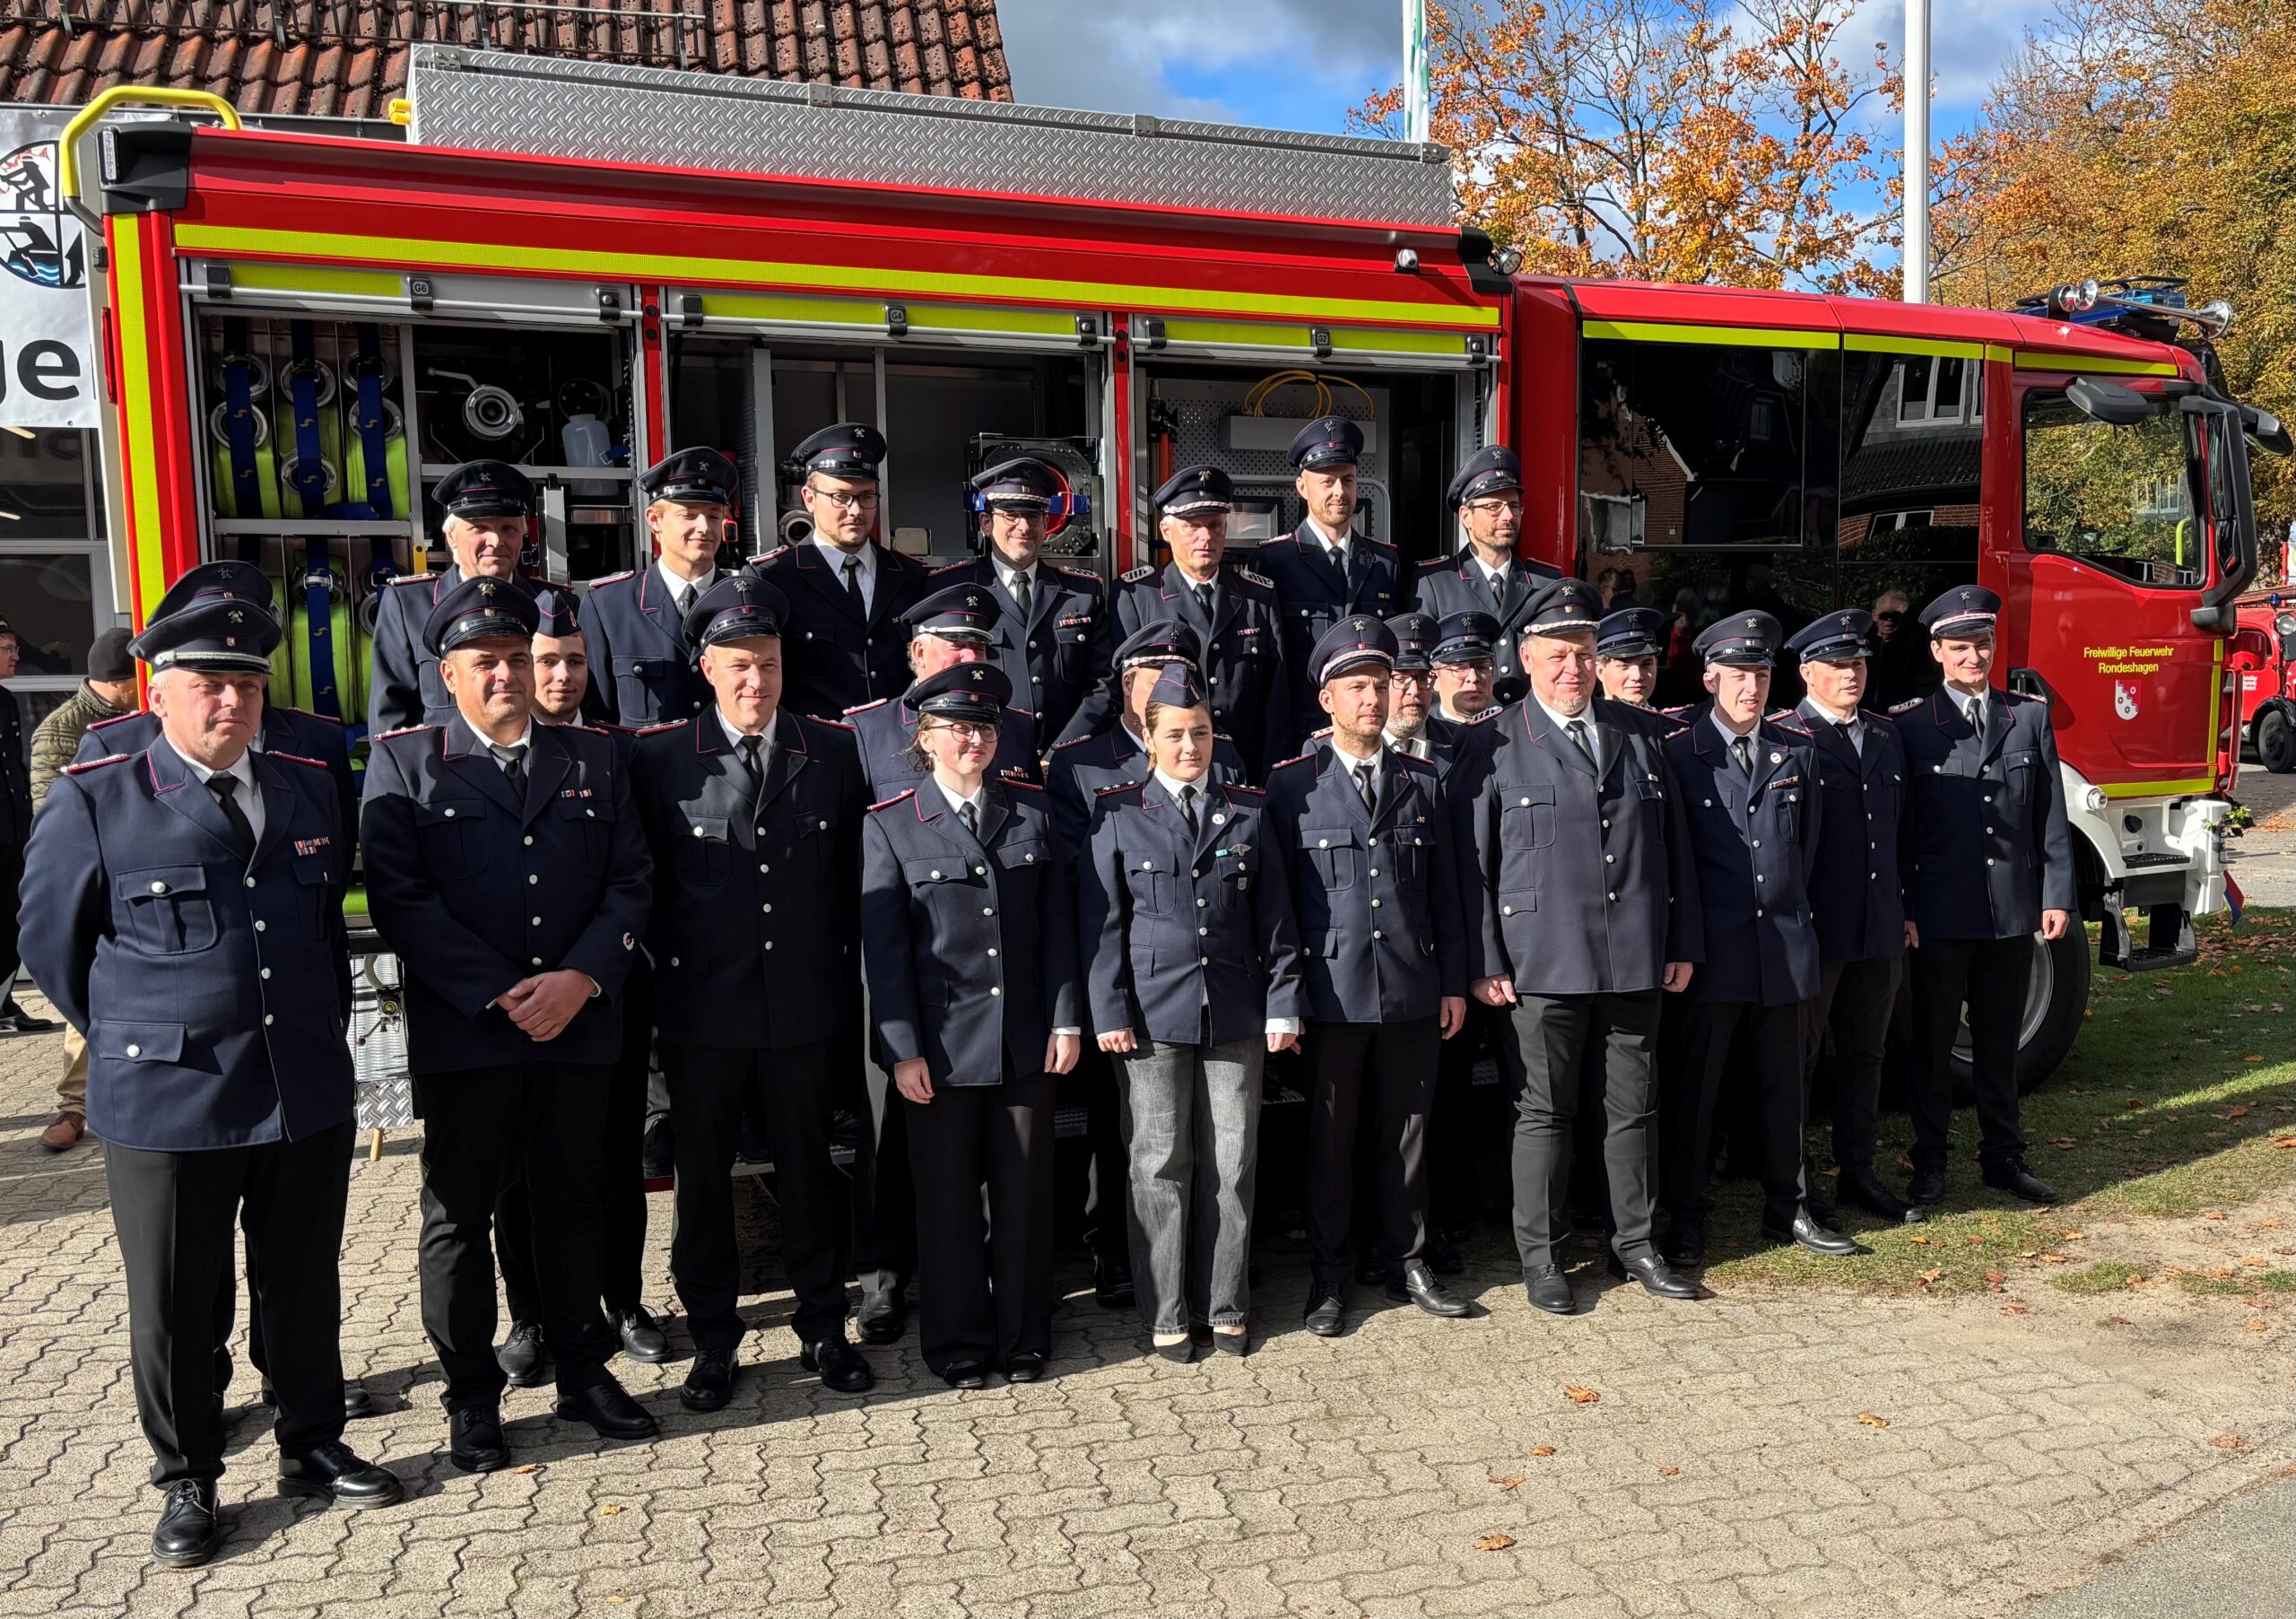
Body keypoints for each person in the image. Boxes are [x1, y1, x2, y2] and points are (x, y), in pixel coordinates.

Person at [20, 592, 399, 1568]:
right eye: (207, 683)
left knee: (302, 1283)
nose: (230, 700)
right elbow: (51, 944)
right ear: (159, 690)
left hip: (299, 1078)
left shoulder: (310, 776)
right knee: (182, 1302)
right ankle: (186, 1474)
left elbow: (319, 922)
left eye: (246, 681)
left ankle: (311, 1441)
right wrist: (138, 1033)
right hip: (168, 1095)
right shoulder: (98, 788)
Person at [361, 577, 657, 1473]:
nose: (506, 675)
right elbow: (401, 901)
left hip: (576, 1025)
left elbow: (632, 880)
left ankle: (580, 1368)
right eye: (483, 662)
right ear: (446, 675)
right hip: (470, 1033)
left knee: (574, 1199)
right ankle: (471, 1394)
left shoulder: (595, 758)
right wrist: (501, 991)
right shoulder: (407, 761)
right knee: (458, 1216)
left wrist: (580, 978)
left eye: (517, 658)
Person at [635, 575, 876, 1406]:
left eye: (768, 665)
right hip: (704, 1017)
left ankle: (822, 1326)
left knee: (811, 1174)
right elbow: (647, 890)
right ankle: (712, 1337)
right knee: (704, 1185)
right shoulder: (660, 759)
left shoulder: (832, 750)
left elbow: (853, 884)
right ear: (706, 667)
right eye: (738, 665)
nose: (755, 682)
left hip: (806, 1010)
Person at [1448, 578, 1701, 1315]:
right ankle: (1544, 1256)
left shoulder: (1643, 734)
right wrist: (1485, 959)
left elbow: (1673, 848)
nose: (1573, 668)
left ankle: (1636, 1244)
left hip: (1633, 955)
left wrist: (1679, 937)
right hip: (1540, 962)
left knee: (1632, 1108)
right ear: (1526, 659)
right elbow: (1474, 865)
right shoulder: (1490, 743)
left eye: (1584, 653)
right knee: (1544, 1113)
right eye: (1557, 654)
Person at [860, 663, 1079, 1387]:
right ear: (925, 739)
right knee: (948, 1204)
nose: (972, 739)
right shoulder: (890, 824)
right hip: (941, 1052)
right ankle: (957, 1345)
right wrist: (899, 1053)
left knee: (1023, 1196)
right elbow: (885, 953)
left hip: (1023, 1044)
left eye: (983, 727)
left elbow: (1059, 931)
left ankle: (1023, 1339)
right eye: (956, 728)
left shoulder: (1033, 813)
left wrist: (1066, 1021)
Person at [1081, 661, 1305, 1359]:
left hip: (1236, 1010)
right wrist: (1108, 1008)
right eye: (1175, 735)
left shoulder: (1247, 810)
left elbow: (1277, 921)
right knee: (1157, 1163)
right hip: (1150, 1016)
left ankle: (1227, 1303)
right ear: (1149, 740)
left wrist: (1283, 1004)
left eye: (1200, 733)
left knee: (1233, 1162)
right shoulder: (1118, 814)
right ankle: (1168, 1309)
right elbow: (1103, 925)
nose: (1189, 748)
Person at [1266, 617, 1469, 1336]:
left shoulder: (1423, 780)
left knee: (1409, 1134)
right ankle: (1330, 1274)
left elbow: (1448, 890)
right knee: (1331, 1142)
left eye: (1380, 687)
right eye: (1356, 688)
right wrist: (1284, 999)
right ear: (1327, 699)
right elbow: (1280, 907)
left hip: (1412, 985)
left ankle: (1409, 1260)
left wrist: (1452, 980)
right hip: (1331, 995)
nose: (1372, 701)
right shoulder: (1292, 787)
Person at [491, 587, 669, 1389]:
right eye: (542, 660)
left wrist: (590, 973)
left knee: (612, 1157)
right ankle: (528, 1313)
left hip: (604, 994)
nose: (558, 675)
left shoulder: (615, 751)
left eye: (571, 660)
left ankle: (624, 1299)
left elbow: (635, 877)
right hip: (516, 1008)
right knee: (519, 1170)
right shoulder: (479, 755)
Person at [1042, 618, 1247, 1310]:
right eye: (1151, 676)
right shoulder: (1082, 763)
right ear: (1129, 688)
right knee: (1132, 1138)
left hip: (1216, 986)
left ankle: (1214, 1286)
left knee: (1222, 1153)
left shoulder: (1225, 758)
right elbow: (1086, 885)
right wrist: (1107, 1001)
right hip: (1135, 982)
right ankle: (1123, 1259)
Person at [1659, 613, 1854, 1266]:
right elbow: (1674, 863)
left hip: (1782, 949)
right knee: (1696, 1095)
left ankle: (1789, 1205)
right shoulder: (1681, 753)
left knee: (1787, 1088)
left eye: (1763, 674)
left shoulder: (1794, 749)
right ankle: (1685, 1216)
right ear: (1710, 676)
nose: (1753, 686)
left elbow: (1810, 849)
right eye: (1740, 674)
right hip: (1712, 954)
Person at [1895, 585, 2074, 1209]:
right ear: (1938, 651)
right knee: (1934, 1043)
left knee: (1999, 1043)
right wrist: (1907, 907)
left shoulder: (2026, 715)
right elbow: (1902, 829)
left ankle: (2004, 1157)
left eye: (1983, 644)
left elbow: (2048, 814)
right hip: (1941, 915)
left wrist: (2056, 895)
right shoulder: (1913, 726)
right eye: (1962, 646)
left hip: (2008, 909)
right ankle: (1931, 1161)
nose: (1975, 657)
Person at [1776, 610, 1916, 1223]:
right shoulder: (1788, 738)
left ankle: (1858, 1170)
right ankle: (1797, 1187)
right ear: (1808, 672)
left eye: (1857, 662)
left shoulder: (1886, 736)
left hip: (1878, 926)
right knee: (1800, 1062)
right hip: (1818, 929)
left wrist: (1903, 908)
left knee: (1867, 1055)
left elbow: (1900, 830)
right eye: (1837, 665)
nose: (1851, 674)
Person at [23, 626, 134, 1150]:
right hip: (92, 876)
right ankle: (75, 1106)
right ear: (118, 682)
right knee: (87, 988)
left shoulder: (141, 720)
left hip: (136, 868)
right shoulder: (61, 731)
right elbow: (54, 815)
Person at [1111, 465, 1290, 779]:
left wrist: (1272, 779)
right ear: (1166, 531)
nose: (1205, 537)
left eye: (1215, 525)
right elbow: (1122, 698)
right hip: (1162, 774)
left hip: (1242, 771)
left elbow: (1276, 702)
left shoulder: (1258, 597)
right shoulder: (1137, 596)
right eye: (1192, 526)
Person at [747, 423, 934, 721]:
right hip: (819, 754)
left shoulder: (911, 577)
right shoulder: (772, 579)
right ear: (809, 499)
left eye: (866, 497)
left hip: (899, 751)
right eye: (841, 497)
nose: (856, 511)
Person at [929, 457, 1116, 746]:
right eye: (1011, 515)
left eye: (1034, 515)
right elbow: (937, 682)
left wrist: (1062, 752)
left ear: (1046, 525)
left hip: (1070, 762)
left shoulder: (1083, 593)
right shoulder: (950, 590)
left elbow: (1103, 685)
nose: (1024, 526)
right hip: (988, 759)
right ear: (986, 523)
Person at [1252, 416, 1401, 740]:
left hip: (1368, 733)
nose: (1339, 492)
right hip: (1299, 734)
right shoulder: (1273, 562)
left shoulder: (1384, 562)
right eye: (1327, 482)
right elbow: (1266, 670)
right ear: (1302, 488)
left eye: (1347, 480)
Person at [368, 460, 534, 735]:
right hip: (447, 770)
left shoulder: (553, 605)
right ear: (451, 537)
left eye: (508, 528)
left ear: (523, 535)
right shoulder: (409, 606)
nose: (495, 541)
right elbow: (390, 718)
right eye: (479, 528)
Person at [582, 447, 740, 726]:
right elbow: (599, 718)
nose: (704, 527)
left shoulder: (744, 601)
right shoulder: (609, 607)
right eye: (689, 515)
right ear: (655, 520)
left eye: (714, 515)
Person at [848, 584, 1041, 796]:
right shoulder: (868, 730)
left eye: (979, 648)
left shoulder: (1018, 727)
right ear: (919, 652)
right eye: (957, 646)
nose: (971, 658)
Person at [1411, 446, 1561, 701]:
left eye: (1514, 506)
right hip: (1462, 729)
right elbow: (1422, 667)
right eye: (1494, 507)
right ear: (1466, 516)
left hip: (1529, 729)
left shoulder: (1547, 583)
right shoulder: (1434, 584)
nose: (1508, 516)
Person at [0, 617, 48, 1040]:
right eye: (8, 648)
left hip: (12, 828)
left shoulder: (5, 701)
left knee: (11, 916)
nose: (16, 656)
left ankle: (4, 1000)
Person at [1428, 610, 1502, 726]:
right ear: (1435, 678)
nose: (1473, 678)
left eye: (1482, 667)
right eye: (1459, 668)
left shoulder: (1513, 731)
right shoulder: (1424, 737)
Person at [1594, 607, 1669, 716]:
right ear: (1600, 671)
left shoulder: (1669, 727)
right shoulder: (1589, 729)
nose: (1637, 676)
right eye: (1625, 666)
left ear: (1656, 664)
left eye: (1646, 664)